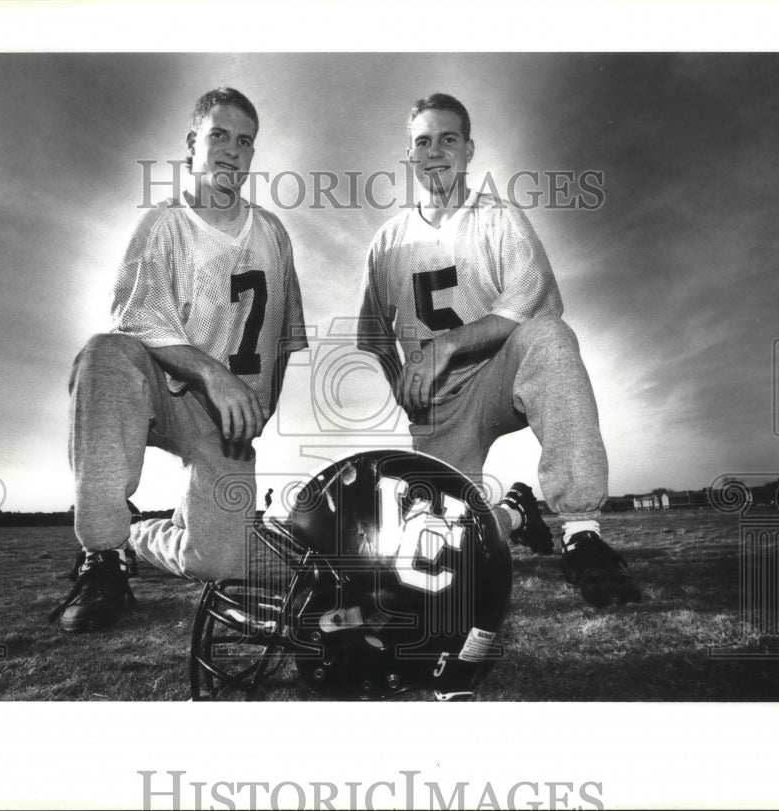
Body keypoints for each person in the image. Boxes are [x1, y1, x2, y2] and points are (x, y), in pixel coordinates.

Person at [357, 93, 640, 607]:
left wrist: (446, 344)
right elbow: (373, 333)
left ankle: (581, 532)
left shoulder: (499, 218)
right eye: (423, 142)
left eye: (448, 139)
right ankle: (515, 513)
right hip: (438, 406)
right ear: (410, 155)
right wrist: (400, 385)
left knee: (550, 335)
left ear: (469, 149)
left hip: (499, 376)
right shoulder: (387, 241)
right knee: (442, 553)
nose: (435, 151)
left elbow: (529, 302)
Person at [50, 87, 308, 632]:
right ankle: (104, 551)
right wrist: (214, 374)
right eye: (219, 135)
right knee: (105, 354)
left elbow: (286, 338)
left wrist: (257, 410)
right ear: (192, 143)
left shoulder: (272, 234)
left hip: (223, 421)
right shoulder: (164, 225)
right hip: (161, 393)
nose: (231, 151)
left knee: (216, 564)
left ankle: (145, 535)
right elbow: (136, 322)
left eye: (245, 141)